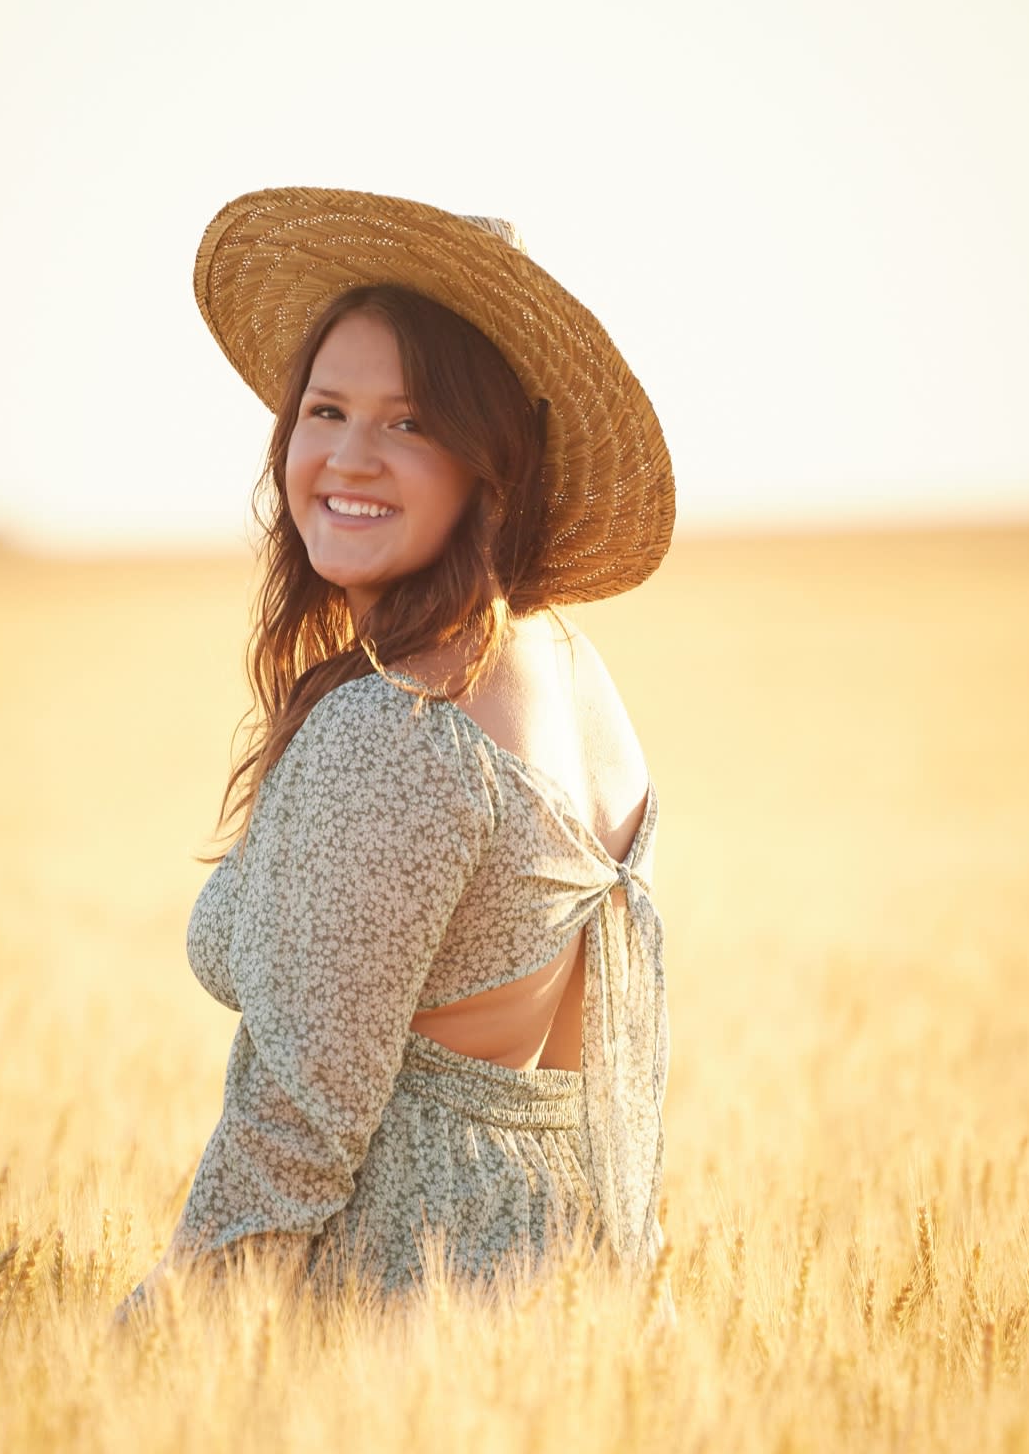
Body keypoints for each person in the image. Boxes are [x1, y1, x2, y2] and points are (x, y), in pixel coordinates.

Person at [138, 186, 675, 1304]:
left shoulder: (398, 734)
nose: (348, 457)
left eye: (412, 422)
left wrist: (138, 1363)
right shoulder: (571, 670)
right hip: (558, 1309)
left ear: (494, 461)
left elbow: (288, 1141)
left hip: (386, 1322)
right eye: (326, 409)